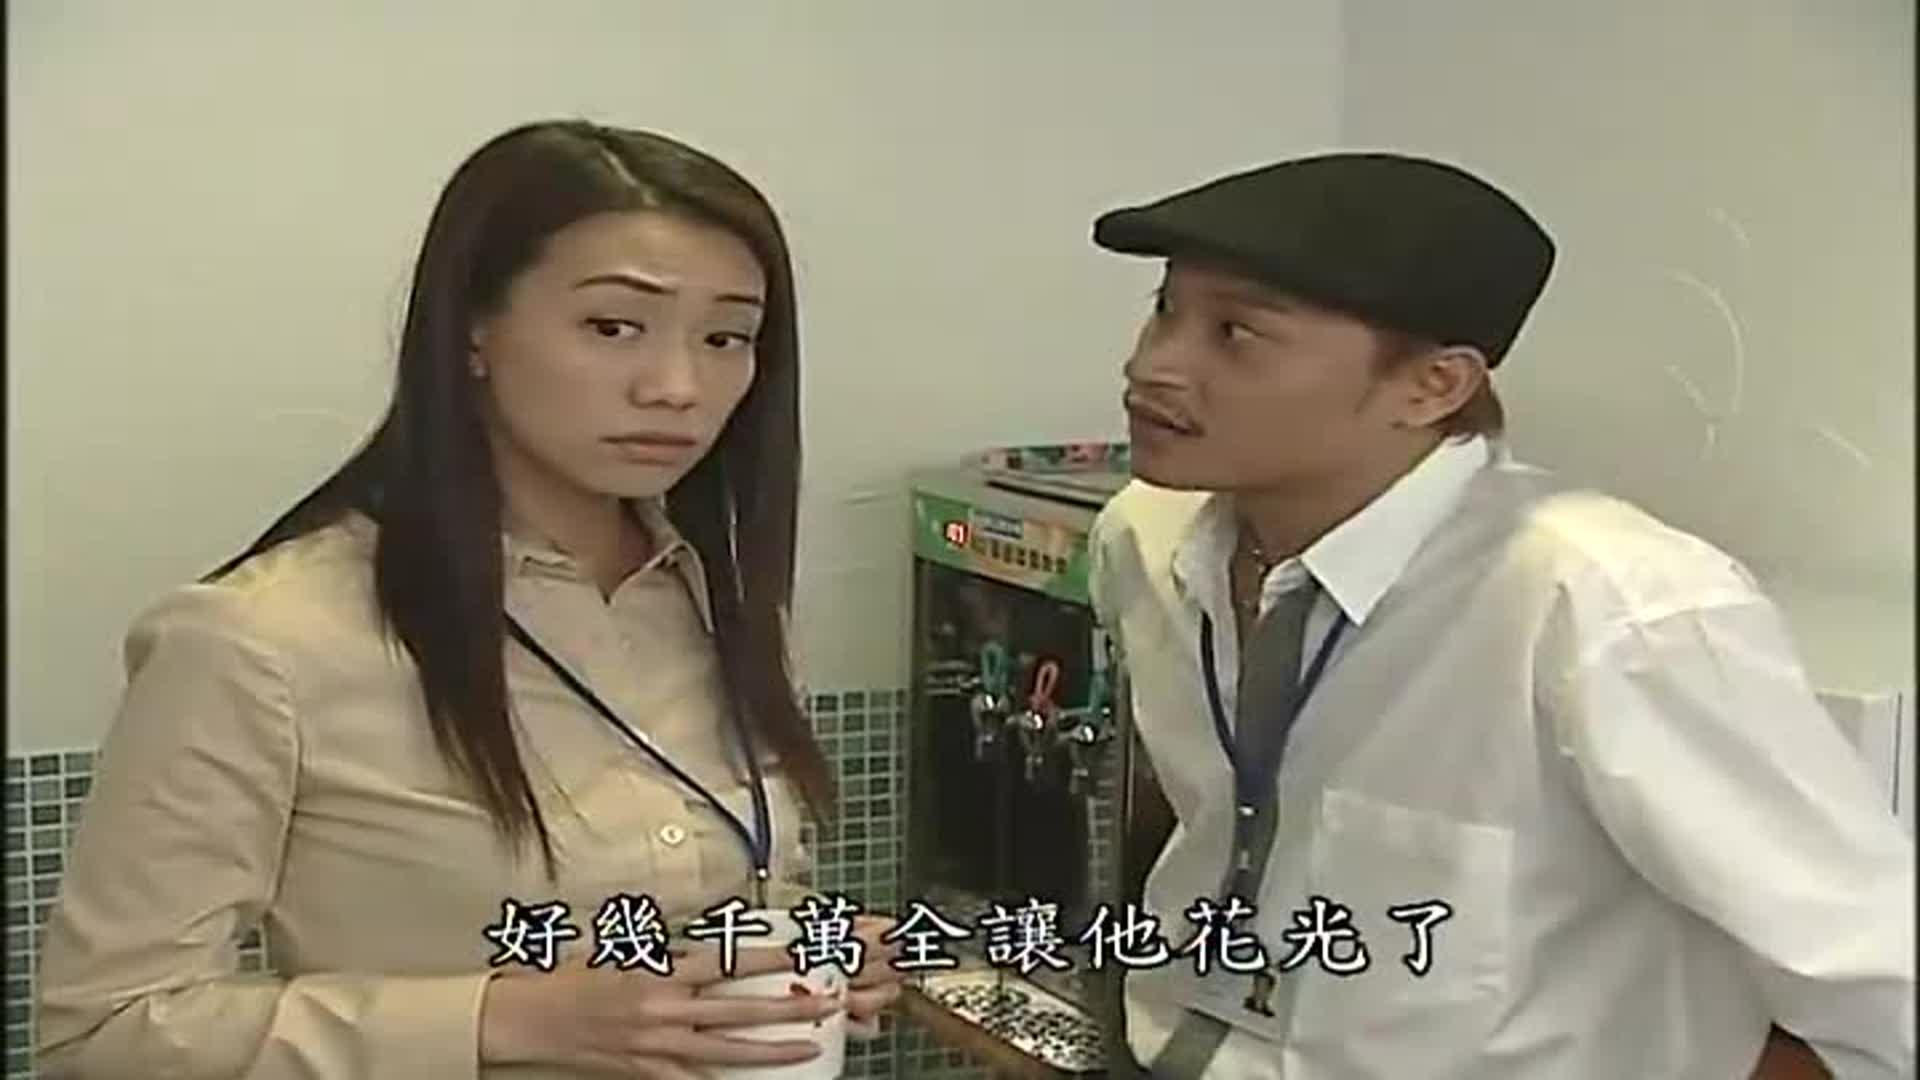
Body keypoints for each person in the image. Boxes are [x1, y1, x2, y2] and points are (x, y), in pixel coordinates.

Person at [37, 119, 903, 1079]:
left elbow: (716, 902)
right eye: (613, 327)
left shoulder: (718, 599)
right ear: (472, 331)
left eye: (726, 337)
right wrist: (502, 1019)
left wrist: (804, 954)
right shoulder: (259, 640)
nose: (677, 386)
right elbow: (105, 1034)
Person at [1084, 152, 1914, 1079]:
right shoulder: (1146, 537)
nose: (1150, 366)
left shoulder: (1609, 608)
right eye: (1165, 310)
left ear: (1433, 385)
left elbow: (1879, 969)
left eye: (1235, 333)